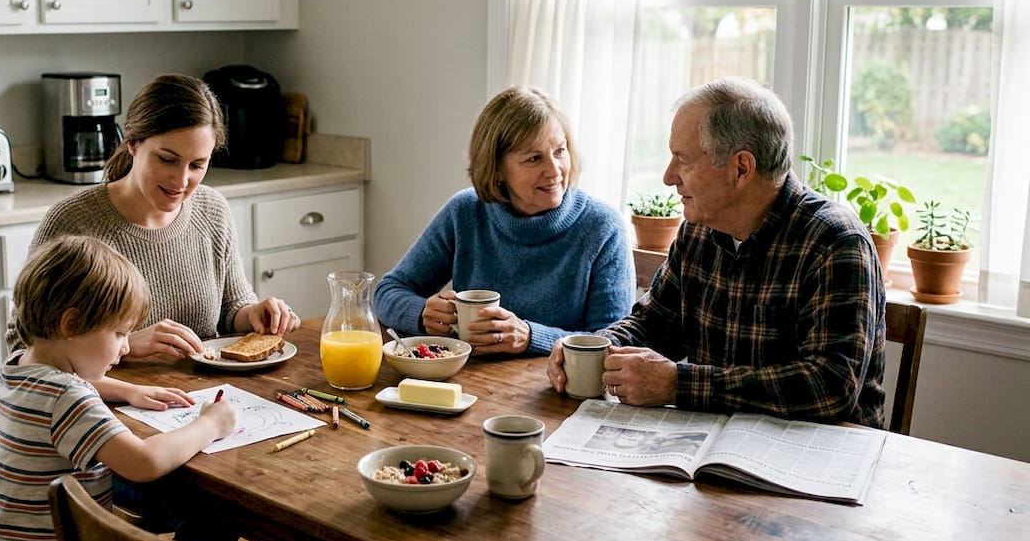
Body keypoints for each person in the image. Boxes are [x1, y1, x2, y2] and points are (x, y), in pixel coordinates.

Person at [0, 235, 307, 541]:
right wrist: (210, 423)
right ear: (70, 324)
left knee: (207, 526)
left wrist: (129, 390)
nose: (125, 348)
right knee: (217, 525)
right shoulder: (67, 399)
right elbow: (142, 462)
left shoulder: (20, 368)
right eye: (119, 333)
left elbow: (67, 388)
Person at [547, 77, 887, 427]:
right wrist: (592, 347)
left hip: (818, 459)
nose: (668, 176)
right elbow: (653, 323)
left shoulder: (835, 241)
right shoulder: (700, 229)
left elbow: (829, 388)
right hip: (713, 445)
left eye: (683, 160)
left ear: (741, 168)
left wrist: (677, 384)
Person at [25, 73, 299, 362]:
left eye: (197, 165)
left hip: (200, 396)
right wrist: (125, 344)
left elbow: (232, 309)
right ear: (132, 141)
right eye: (167, 159)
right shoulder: (73, 222)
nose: (181, 180)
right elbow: (23, 346)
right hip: (107, 403)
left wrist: (255, 315)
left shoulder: (212, 210)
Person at [374, 86, 635, 356]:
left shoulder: (603, 227)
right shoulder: (466, 211)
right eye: (534, 158)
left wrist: (530, 337)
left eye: (560, 151)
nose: (555, 170)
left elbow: (614, 343)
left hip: (556, 392)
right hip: (470, 383)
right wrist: (422, 313)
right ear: (497, 168)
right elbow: (387, 292)